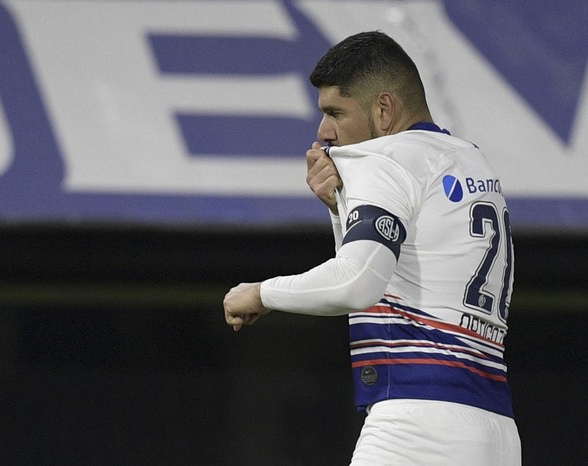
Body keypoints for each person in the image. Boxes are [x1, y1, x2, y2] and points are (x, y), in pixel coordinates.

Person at [223, 31, 521, 465]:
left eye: (335, 112)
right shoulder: (470, 159)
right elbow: (393, 280)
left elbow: (357, 281)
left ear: (384, 110)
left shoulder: (384, 156)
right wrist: (341, 211)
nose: (323, 132)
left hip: (418, 426)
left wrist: (260, 293)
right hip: (494, 431)